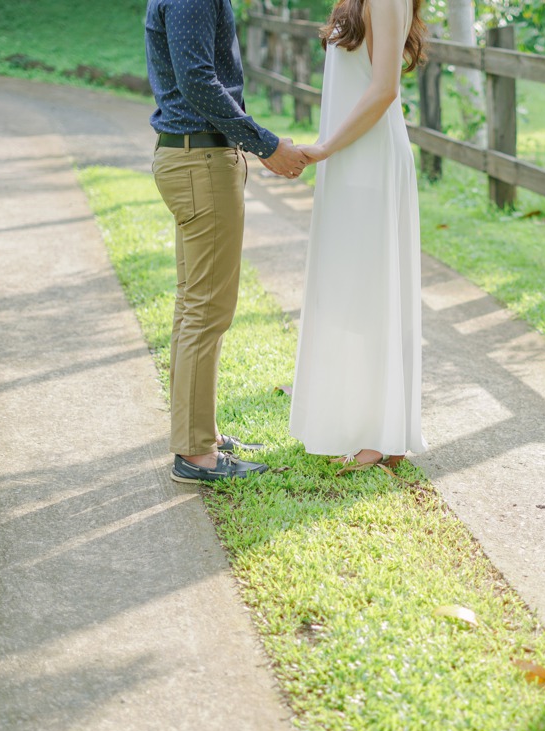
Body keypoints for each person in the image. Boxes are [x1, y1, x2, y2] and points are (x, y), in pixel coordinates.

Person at [145, 0, 307, 483]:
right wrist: (266, 144)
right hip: (201, 162)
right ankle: (196, 454)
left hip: (195, 158)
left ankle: (200, 436)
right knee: (207, 309)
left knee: (195, 305)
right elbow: (198, 81)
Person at [289, 0, 428, 467]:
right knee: (350, 292)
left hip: (369, 160)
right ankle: (363, 423)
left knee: (369, 293)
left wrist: (325, 147)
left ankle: (381, 433)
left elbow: (384, 88)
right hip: (350, 161)